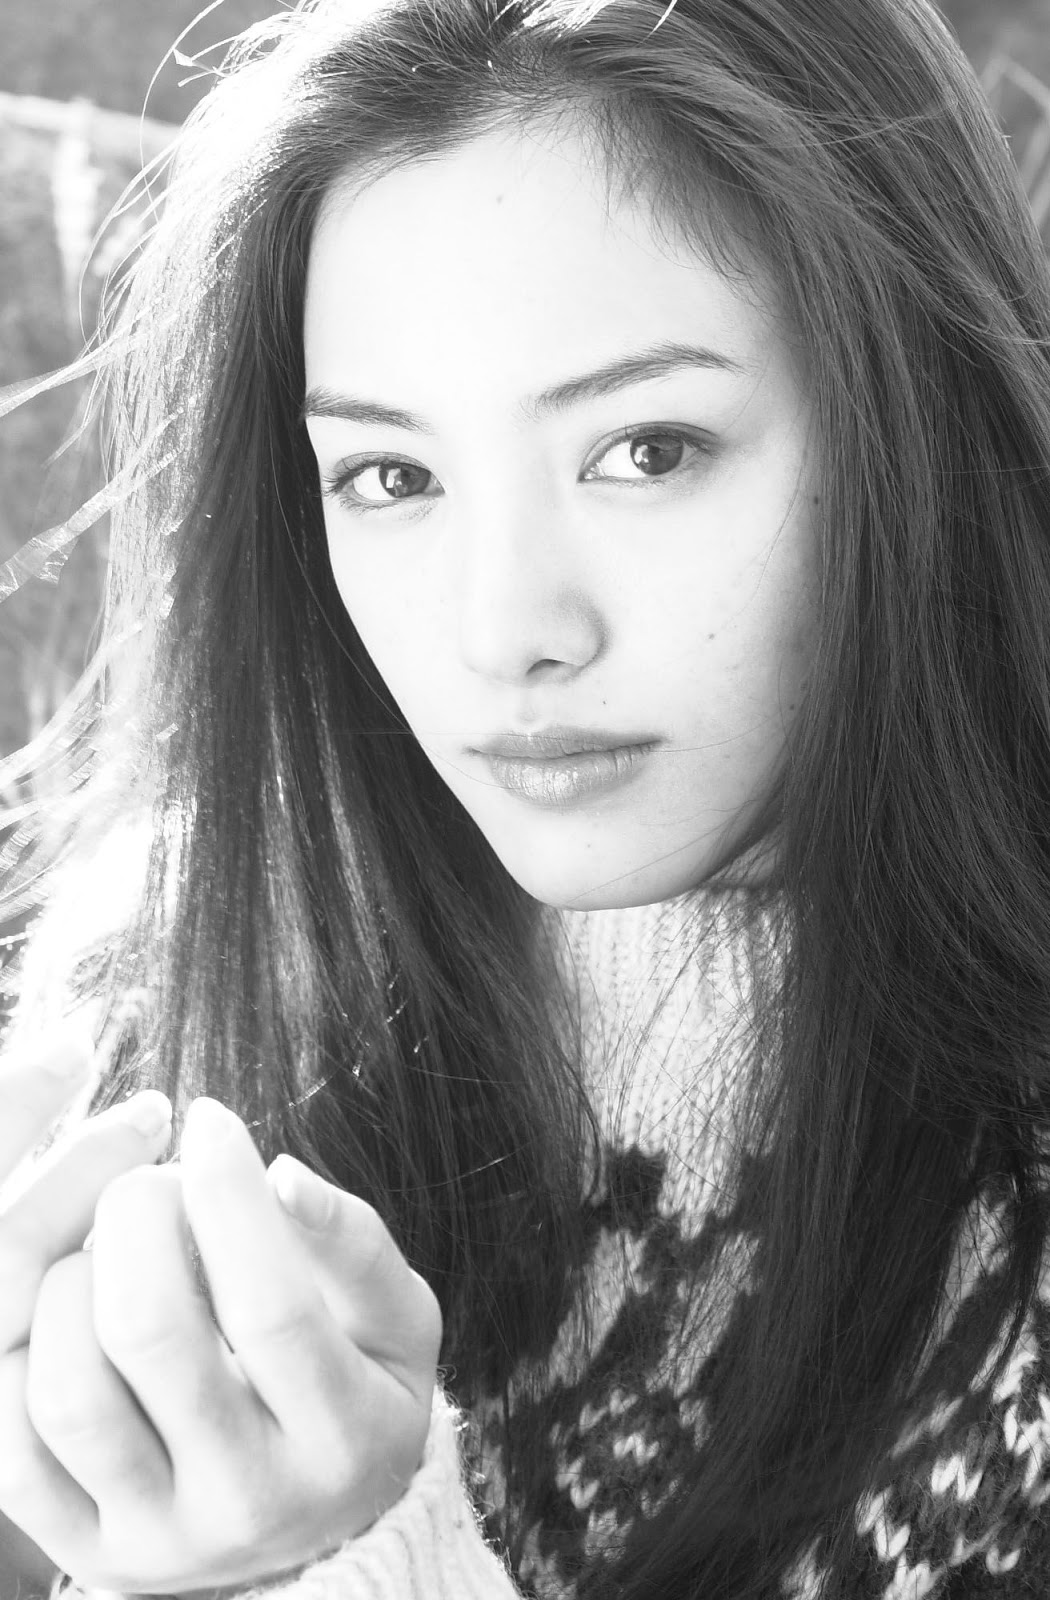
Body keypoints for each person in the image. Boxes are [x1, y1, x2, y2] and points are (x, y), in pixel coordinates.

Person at [2, 0, 1050, 1594]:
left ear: (916, 423)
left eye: (647, 449)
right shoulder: (139, 991)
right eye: (392, 477)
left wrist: (339, 1567)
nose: (504, 631)